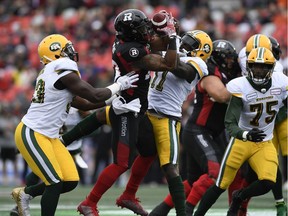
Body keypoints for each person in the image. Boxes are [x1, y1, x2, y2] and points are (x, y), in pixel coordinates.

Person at [11, 33, 139, 216]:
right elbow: (94, 95)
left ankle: (25, 194)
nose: (71, 52)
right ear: (55, 54)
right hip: (33, 132)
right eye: (66, 49)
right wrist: (119, 86)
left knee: (70, 181)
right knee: (54, 182)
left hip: (49, 135)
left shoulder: (52, 72)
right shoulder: (59, 67)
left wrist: (112, 100)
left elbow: (84, 103)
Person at [76, 8, 178, 216]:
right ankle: (89, 202)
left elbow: (156, 43)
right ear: (131, 33)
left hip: (138, 108)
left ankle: (128, 196)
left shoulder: (131, 42)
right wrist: (172, 37)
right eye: (141, 28)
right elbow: (169, 63)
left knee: (149, 151)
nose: (146, 31)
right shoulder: (131, 50)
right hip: (126, 110)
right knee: (122, 163)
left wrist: (167, 30)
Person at [115, 28, 212, 216]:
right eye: (183, 40)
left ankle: (182, 213)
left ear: (201, 50)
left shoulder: (198, 63)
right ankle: (126, 194)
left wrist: (172, 42)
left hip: (167, 117)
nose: (183, 44)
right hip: (146, 110)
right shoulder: (171, 52)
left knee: (170, 167)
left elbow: (179, 69)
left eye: (190, 43)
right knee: (142, 152)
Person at [149, 39, 242, 216]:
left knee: (193, 181)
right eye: (229, 59)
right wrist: (247, 85)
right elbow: (221, 95)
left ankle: (161, 210)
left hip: (210, 133)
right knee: (214, 173)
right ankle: (188, 211)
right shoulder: (209, 74)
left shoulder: (229, 74)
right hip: (199, 131)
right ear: (220, 59)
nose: (232, 62)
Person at [193, 47, 288, 216]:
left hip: (264, 142)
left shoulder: (281, 82)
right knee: (221, 184)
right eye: (255, 66)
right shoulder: (240, 85)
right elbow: (230, 122)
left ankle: (240, 197)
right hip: (242, 142)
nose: (259, 70)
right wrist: (245, 134)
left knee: (268, 182)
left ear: (271, 68)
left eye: (263, 67)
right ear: (248, 66)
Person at [238, 34, 287, 216]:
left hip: (268, 112)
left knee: (270, 160)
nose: (258, 63)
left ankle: (279, 203)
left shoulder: (274, 68)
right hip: (249, 113)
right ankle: (241, 203)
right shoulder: (244, 56)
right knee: (247, 168)